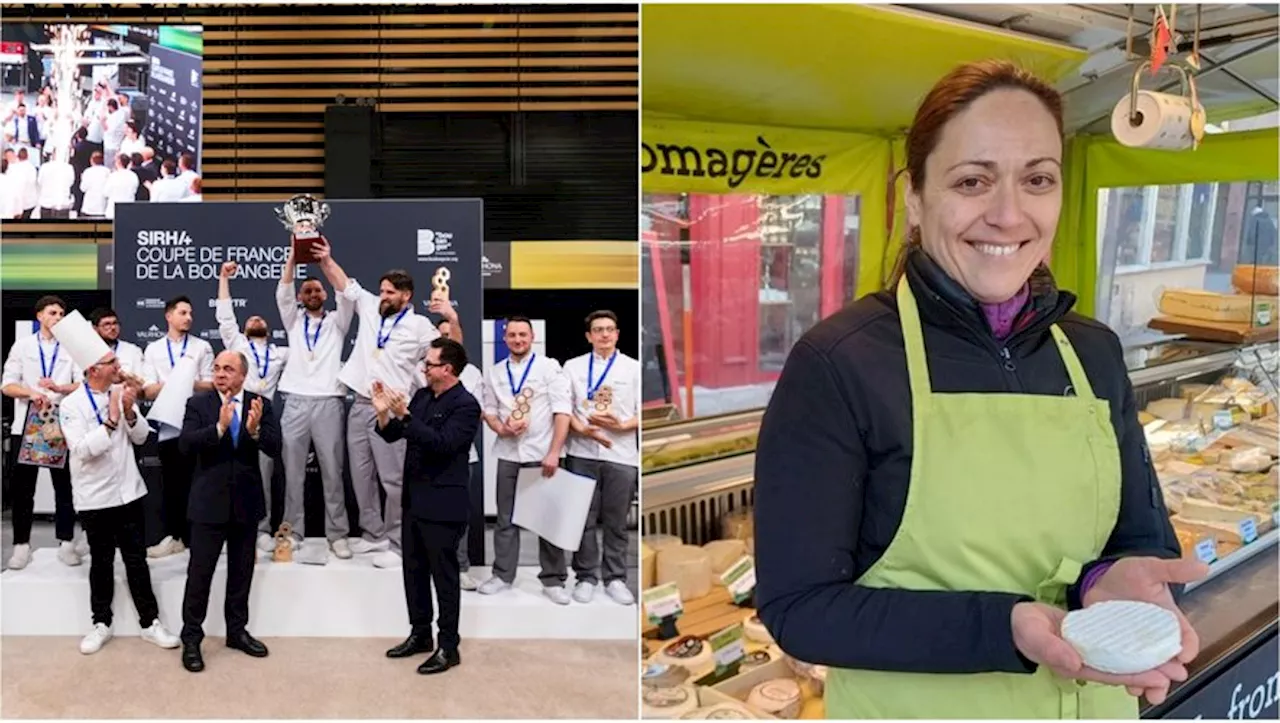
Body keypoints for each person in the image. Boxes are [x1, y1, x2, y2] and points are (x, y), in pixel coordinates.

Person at [752, 60, 1207, 720]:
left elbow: (1136, 532)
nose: (1008, 213)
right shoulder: (839, 363)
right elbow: (802, 608)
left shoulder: (1093, 351)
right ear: (914, 196)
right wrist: (1006, 626)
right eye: (973, 180)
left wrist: (1117, 579)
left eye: (1038, 179)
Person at [312, 237, 440, 569]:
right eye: (381, 291)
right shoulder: (369, 306)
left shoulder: (419, 325)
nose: (383, 296)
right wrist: (326, 258)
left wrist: (451, 317)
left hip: (393, 412)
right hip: (360, 403)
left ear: (405, 296)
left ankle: (398, 543)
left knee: (393, 478)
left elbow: (444, 354)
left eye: (389, 293)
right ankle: (373, 535)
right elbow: (342, 282)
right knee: (361, 474)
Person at [55, 329, 180, 655]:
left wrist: (127, 412)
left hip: (129, 493)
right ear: (93, 369)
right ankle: (101, 623)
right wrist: (111, 421)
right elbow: (82, 450)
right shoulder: (71, 405)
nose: (117, 366)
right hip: (95, 497)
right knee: (101, 561)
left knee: (137, 560)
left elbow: (140, 438)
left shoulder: (121, 392)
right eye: (110, 362)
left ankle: (150, 623)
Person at [375, 337, 481, 675]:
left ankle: (448, 646)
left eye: (430, 364)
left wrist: (405, 415)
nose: (424, 368)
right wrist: (383, 415)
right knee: (414, 573)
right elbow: (396, 434)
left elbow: (444, 444)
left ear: (447, 369)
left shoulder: (466, 405)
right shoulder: (422, 396)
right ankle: (419, 634)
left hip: (444, 504)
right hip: (414, 501)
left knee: (444, 578)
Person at [177, 350, 282, 673]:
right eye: (217, 368)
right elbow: (185, 445)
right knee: (200, 574)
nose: (220, 374)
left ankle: (237, 632)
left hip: (246, 504)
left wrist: (253, 431)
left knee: (241, 574)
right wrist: (219, 429)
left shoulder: (259, 404)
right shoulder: (199, 404)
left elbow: (275, 447)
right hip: (208, 505)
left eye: (228, 369)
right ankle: (192, 638)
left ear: (242, 375)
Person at [478, 317, 573, 604]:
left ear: (532, 337)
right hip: (508, 454)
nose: (518, 340)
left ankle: (554, 580)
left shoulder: (549, 367)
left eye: (523, 334)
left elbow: (562, 412)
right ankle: (503, 575)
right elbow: (489, 412)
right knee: (505, 520)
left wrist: (555, 452)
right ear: (504, 339)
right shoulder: (494, 372)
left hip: (543, 454)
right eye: (512, 335)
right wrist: (501, 429)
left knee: (548, 520)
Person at [275, 246, 356, 560]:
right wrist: (294, 257)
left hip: (329, 402)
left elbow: (346, 292)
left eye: (317, 289)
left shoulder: (338, 322)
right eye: (306, 290)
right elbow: (283, 290)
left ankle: (338, 534)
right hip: (294, 401)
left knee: (333, 472)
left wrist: (325, 261)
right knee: (292, 472)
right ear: (301, 296)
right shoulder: (293, 321)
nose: (311, 293)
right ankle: (292, 531)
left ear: (324, 294)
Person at [564, 310, 639, 605]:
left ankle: (616, 578)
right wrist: (580, 428)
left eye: (610, 329)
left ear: (618, 334)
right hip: (581, 452)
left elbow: (645, 412)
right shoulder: (572, 367)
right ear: (589, 336)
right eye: (598, 330)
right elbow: (563, 407)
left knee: (616, 521)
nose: (604, 334)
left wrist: (622, 425)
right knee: (582, 519)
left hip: (620, 454)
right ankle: (585, 577)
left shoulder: (632, 369)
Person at [1, 296, 81, 569]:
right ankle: (21, 545)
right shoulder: (23, 347)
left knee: (65, 487)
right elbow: (7, 385)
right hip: (27, 423)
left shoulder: (71, 347)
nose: (58, 317)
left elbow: (82, 383)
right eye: (52, 312)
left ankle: (67, 542)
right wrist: (32, 392)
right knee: (23, 489)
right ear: (39, 317)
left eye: (61, 313)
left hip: (61, 422)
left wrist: (59, 389)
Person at [216, 261, 292, 550]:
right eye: (250, 320)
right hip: (235, 413)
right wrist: (224, 278)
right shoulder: (237, 345)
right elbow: (225, 315)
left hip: (265, 417)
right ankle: (225, 526)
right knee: (229, 471)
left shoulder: (281, 353)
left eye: (260, 320)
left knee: (262, 474)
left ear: (268, 330)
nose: (255, 320)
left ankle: (260, 527)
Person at [142, 295, 215, 558]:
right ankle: (174, 537)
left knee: (201, 483)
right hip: (168, 425)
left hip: (198, 423)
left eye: (191, 313)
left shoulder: (202, 346)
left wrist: (184, 382)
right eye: (183, 313)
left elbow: (210, 384)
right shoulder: (152, 350)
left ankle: (200, 538)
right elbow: (148, 390)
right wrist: (177, 382)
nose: (188, 318)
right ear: (169, 316)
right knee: (172, 485)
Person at [435, 315, 483, 591]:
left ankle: (461, 566)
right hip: (428, 456)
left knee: (458, 516)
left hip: (463, 457)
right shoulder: (424, 372)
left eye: (450, 335)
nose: (447, 340)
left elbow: (469, 415)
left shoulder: (472, 373)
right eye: (441, 337)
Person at [72, 308, 146, 382]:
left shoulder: (133, 350)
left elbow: (140, 381)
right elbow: (80, 382)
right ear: (95, 328)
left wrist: (125, 377)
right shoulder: (84, 352)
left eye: (115, 323)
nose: (113, 328)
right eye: (107, 324)